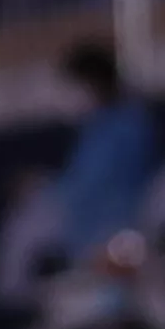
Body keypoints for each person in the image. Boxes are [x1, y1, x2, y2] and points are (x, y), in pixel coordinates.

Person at [48, 38, 155, 258]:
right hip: (92, 249)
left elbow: (97, 187)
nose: (70, 97)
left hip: (118, 244)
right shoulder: (92, 133)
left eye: (75, 87)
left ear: (94, 84)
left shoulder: (127, 127)